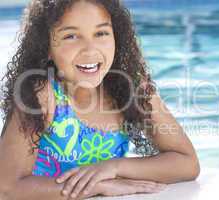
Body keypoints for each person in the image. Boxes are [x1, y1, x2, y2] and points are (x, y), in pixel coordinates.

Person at [0, 0, 200, 199]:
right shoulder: (43, 96)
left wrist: (114, 167)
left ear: (117, 37)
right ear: (46, 48)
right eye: (71, 36)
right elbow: (7, 188)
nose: (90, 49)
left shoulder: (132, 89)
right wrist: (97, 187)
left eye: (101, 33)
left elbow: (187, 163)